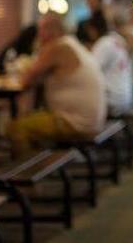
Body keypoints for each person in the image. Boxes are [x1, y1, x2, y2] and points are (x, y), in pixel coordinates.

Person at [7, 13, 105, 159]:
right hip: (91, 119)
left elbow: (26, 79)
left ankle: (25, 172)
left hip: (75, 122)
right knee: (32, 118)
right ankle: (42, 160)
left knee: (16, 128)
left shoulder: (58, 47)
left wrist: (39, 50)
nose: (38, 35)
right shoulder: (72, 43)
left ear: (50, 31)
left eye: (40, 30)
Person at [90, 13, 133, 117]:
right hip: (127, 99)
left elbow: (91, 72)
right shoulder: (118, 39)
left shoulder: (103, 43)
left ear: (91, 29)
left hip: (113, 102)